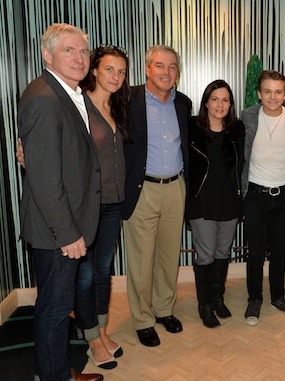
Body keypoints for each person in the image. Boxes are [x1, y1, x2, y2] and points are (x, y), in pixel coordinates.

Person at [17, 23, 103, 381]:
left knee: (57, 306)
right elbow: (46, 179)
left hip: (65, 223)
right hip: (57, 230)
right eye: (69, 50)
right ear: (47, 55)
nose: (79, 58)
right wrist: (68, 234)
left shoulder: (68, 92)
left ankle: (59, 371)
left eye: (83, 51)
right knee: (54, 310)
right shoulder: (44, 98)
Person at [122, 45, 191, 347]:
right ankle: (142, 319)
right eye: (160, 66)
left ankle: (164, 309)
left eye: (172, 67)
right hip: (142, 189)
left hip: (175, 188)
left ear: (178, 71)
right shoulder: (126, 100)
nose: (166, 72)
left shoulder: (183, 104)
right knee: (141, 259)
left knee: (167, 255)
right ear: (148, 68)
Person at [73, 45, 129, 369]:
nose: (116, 77)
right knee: (84, 276)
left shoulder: (118, 107)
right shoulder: (77, 106)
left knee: (103, 272)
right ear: (94, 70)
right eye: (109, 69)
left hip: (113, 203)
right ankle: (92, 337)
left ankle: (102, 330)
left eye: (121, 71)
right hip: (86, 205)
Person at [241, 70, 285, 326]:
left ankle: (278, 297)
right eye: (267, 91)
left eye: (278, 92)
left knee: (278, 250)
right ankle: (254, 299)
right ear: (259, 93)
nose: (273, 97)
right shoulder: (247, 116)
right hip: (255, 194)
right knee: (255, 252)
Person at [186, 80, 244, 328]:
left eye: (225, 100)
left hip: (229, 201)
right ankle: (205, 304)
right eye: (215, 99)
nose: (220, 104)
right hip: (201, 202)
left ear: (231, 104)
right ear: (206, 102)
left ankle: (218, 298)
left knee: (222, 253)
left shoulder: (237, 129)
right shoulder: (191, 127)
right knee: (206, 254)